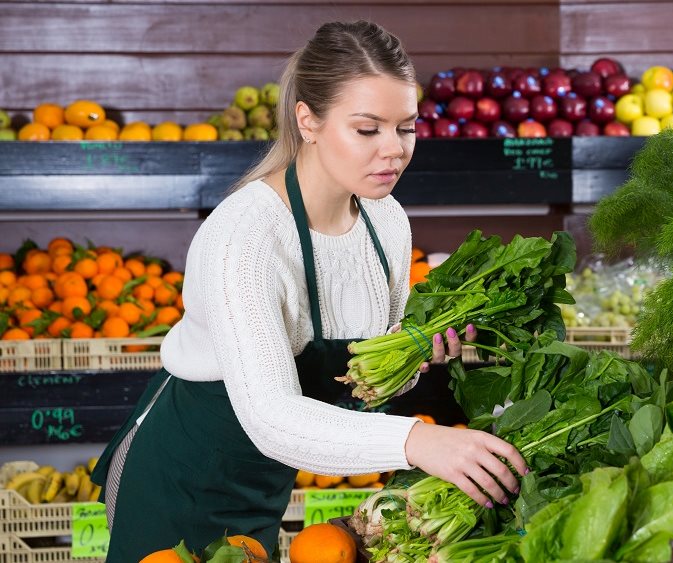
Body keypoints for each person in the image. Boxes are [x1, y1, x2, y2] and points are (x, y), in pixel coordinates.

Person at [90, 20, 527, 560]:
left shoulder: (386, 221)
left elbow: (362, 375)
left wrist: (416, 350)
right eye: (368, 130)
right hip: (181, 479)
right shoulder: (244, 235)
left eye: (406, 128)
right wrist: (417, 439)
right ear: (309, 121)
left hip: (267, 481)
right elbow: (272, 416)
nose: (394, 150)